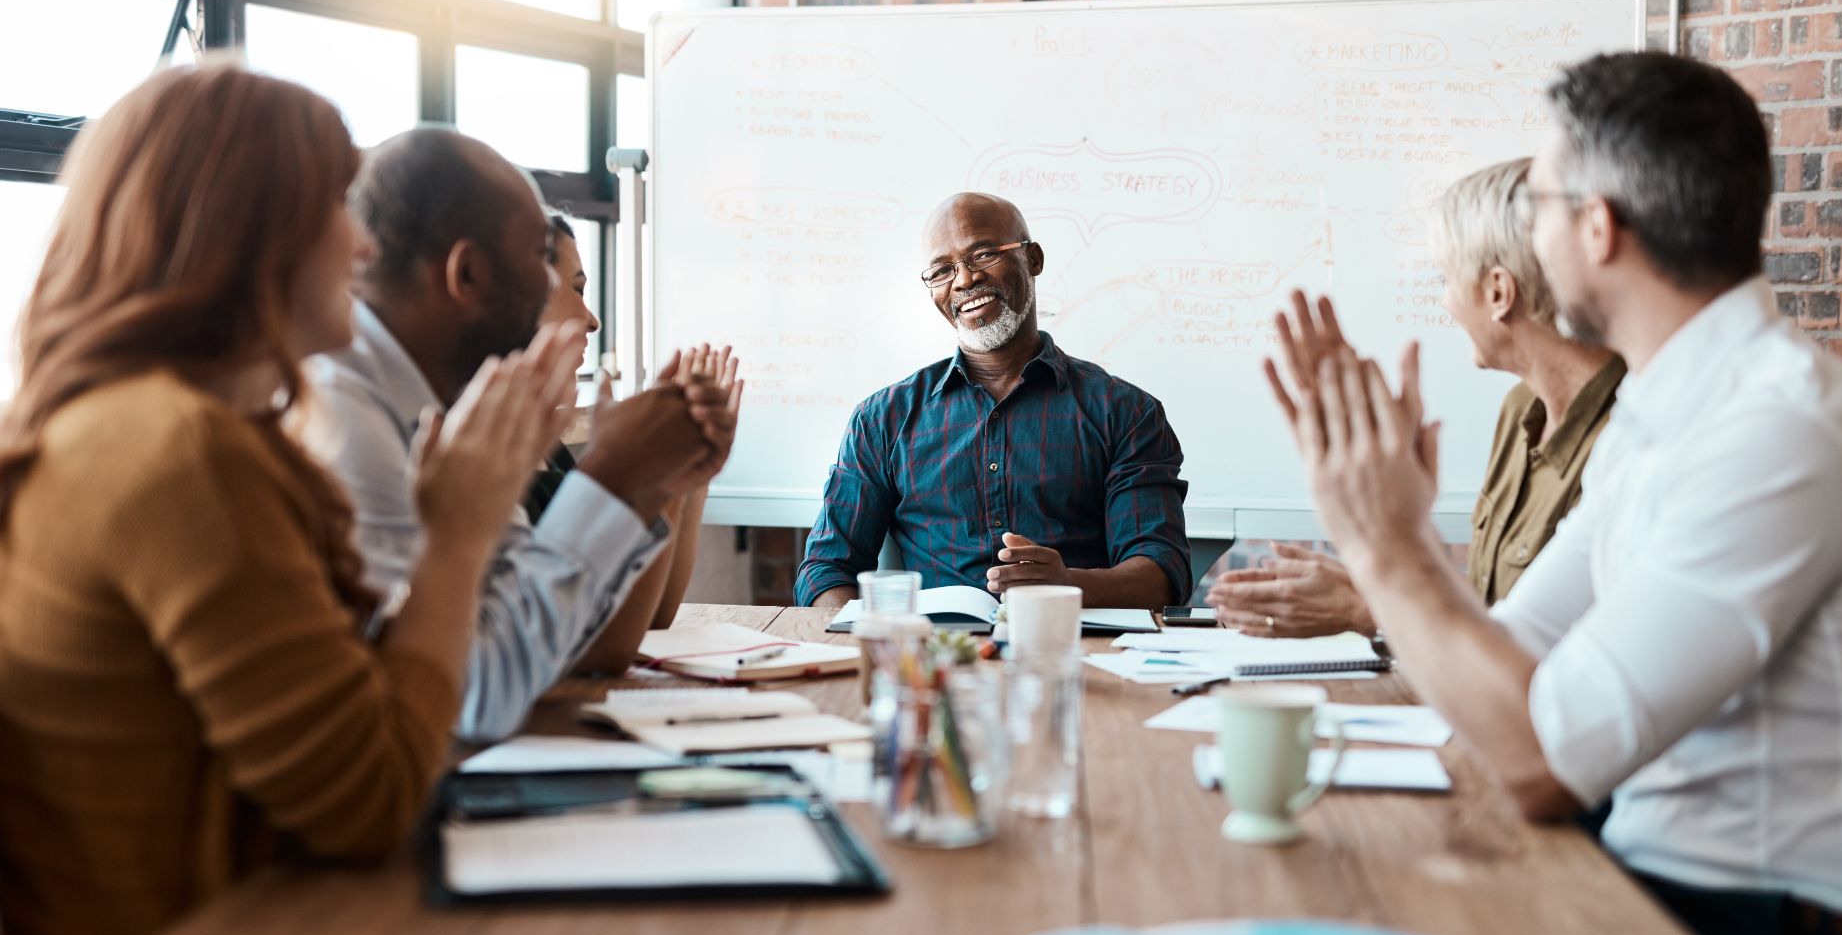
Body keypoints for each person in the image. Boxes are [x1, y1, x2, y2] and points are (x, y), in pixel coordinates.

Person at [0, 61, 608, 935]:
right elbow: (371, 802)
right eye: (333, 204)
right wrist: (453, 541)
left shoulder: (136, 427)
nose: (359, 240)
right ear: (246, 233)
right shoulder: (182, 454)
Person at [1265, 51, 1842, 935]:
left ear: (1598, 226)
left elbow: (1543, 760)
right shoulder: (1660, 415)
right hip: (1646, 889)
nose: (1527, 238)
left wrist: (1384, 541)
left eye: (1537, 203)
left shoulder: (1781, 427)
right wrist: (1382, 531)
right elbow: (1507, 657)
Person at [307, 131, 737, 741]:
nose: (555, 297)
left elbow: (538, 637)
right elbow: (479, 694)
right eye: (539, 258)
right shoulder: (343, 418)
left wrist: (646, 482)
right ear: (470, 273)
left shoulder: (445, 404)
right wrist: (612, 480)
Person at [1212, 159, 1623, 638]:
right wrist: (1374, 582)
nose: (1445, 301)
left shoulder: (1629, 434)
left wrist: (1371, 605)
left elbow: (1551, 648)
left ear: (1497, 292)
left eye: (1446, 279)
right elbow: (1502, 606)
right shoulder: (1519, 411)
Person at [795, 191, 1191, 610]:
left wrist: (1068, 585)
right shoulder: (883, 420)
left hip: (1074, 652)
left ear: (1033, 259)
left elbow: (1163, 573)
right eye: (942, 270)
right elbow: (825, 569)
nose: (964, 280)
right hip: (935, 659)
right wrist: (870, 644)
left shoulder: (1125, 412)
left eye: (983, 255)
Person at [529, 209, 737, 672]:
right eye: (578, 289)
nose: (593, 320)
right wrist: (631, 473)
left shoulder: (548, 450)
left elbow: (651, 618)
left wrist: (683, 474)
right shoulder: (476, 458)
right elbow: (599, 646)